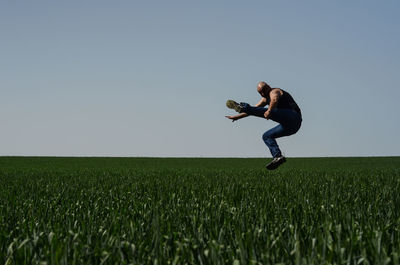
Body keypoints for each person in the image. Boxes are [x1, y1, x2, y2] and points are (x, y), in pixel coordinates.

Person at [225, 81, 302, 170]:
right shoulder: (265, 99)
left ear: (269, 86)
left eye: (263, 90)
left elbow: (274, 100)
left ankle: (242, 107)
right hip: (292, 127)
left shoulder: (274, 91)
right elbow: (253, 110)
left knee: (267, 110)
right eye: (260, 93)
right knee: (266, 136)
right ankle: (278, 157)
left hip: (293, 116)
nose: (262, 94)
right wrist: (237, 117)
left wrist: (269, 111)